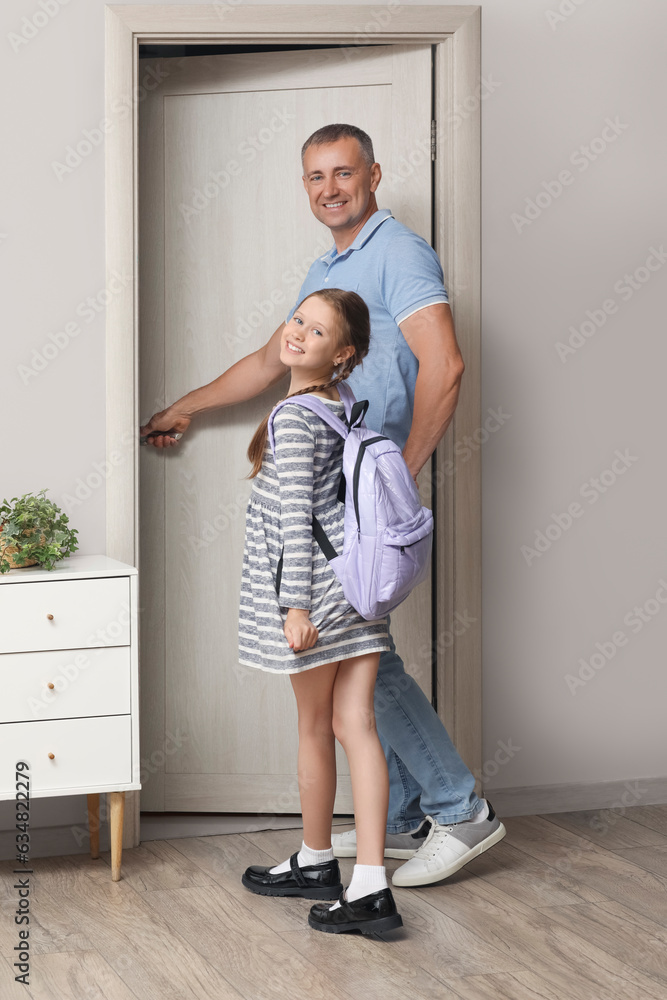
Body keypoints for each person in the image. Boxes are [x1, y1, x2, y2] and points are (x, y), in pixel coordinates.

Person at [140, 123, 506, 889]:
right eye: (314, 177)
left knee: (365, 658)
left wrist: (399, 477)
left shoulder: (398, 253)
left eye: (342, 173)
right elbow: (275, 357)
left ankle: (459, 808)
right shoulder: (329, 265)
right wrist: (188, 406)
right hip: (336, 498)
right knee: (362, 659)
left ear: (373, 174)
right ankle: (405, 818)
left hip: (366, 501)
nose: (329, 188)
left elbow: (446, 363)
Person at [238, 287, 403, 936]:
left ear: (343, 354)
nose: (299, 333)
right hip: (361, 589)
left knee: (315, 727)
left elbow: (294, 519)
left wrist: (295, 607)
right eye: (298, 319)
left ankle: (318, 862)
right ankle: (363, 880)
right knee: (355, 725)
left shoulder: (296, 416)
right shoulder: (339, 408)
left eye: (318, 330)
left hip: (317, 597)